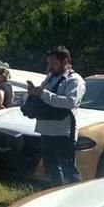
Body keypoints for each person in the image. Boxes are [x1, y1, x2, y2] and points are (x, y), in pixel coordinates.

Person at [27, 46, 87, 187]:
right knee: (51, 166)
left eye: (53, 63)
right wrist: (33, 93)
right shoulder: (50, 78)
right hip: (46, 128)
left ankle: (76, 196)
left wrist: (42, 94)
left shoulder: (74, 80)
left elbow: (69, 102)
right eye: (49, 63)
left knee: (68, 169)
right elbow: (42, 96)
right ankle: (57, 192)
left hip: (63, 131)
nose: (50, 67)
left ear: (65, 61)